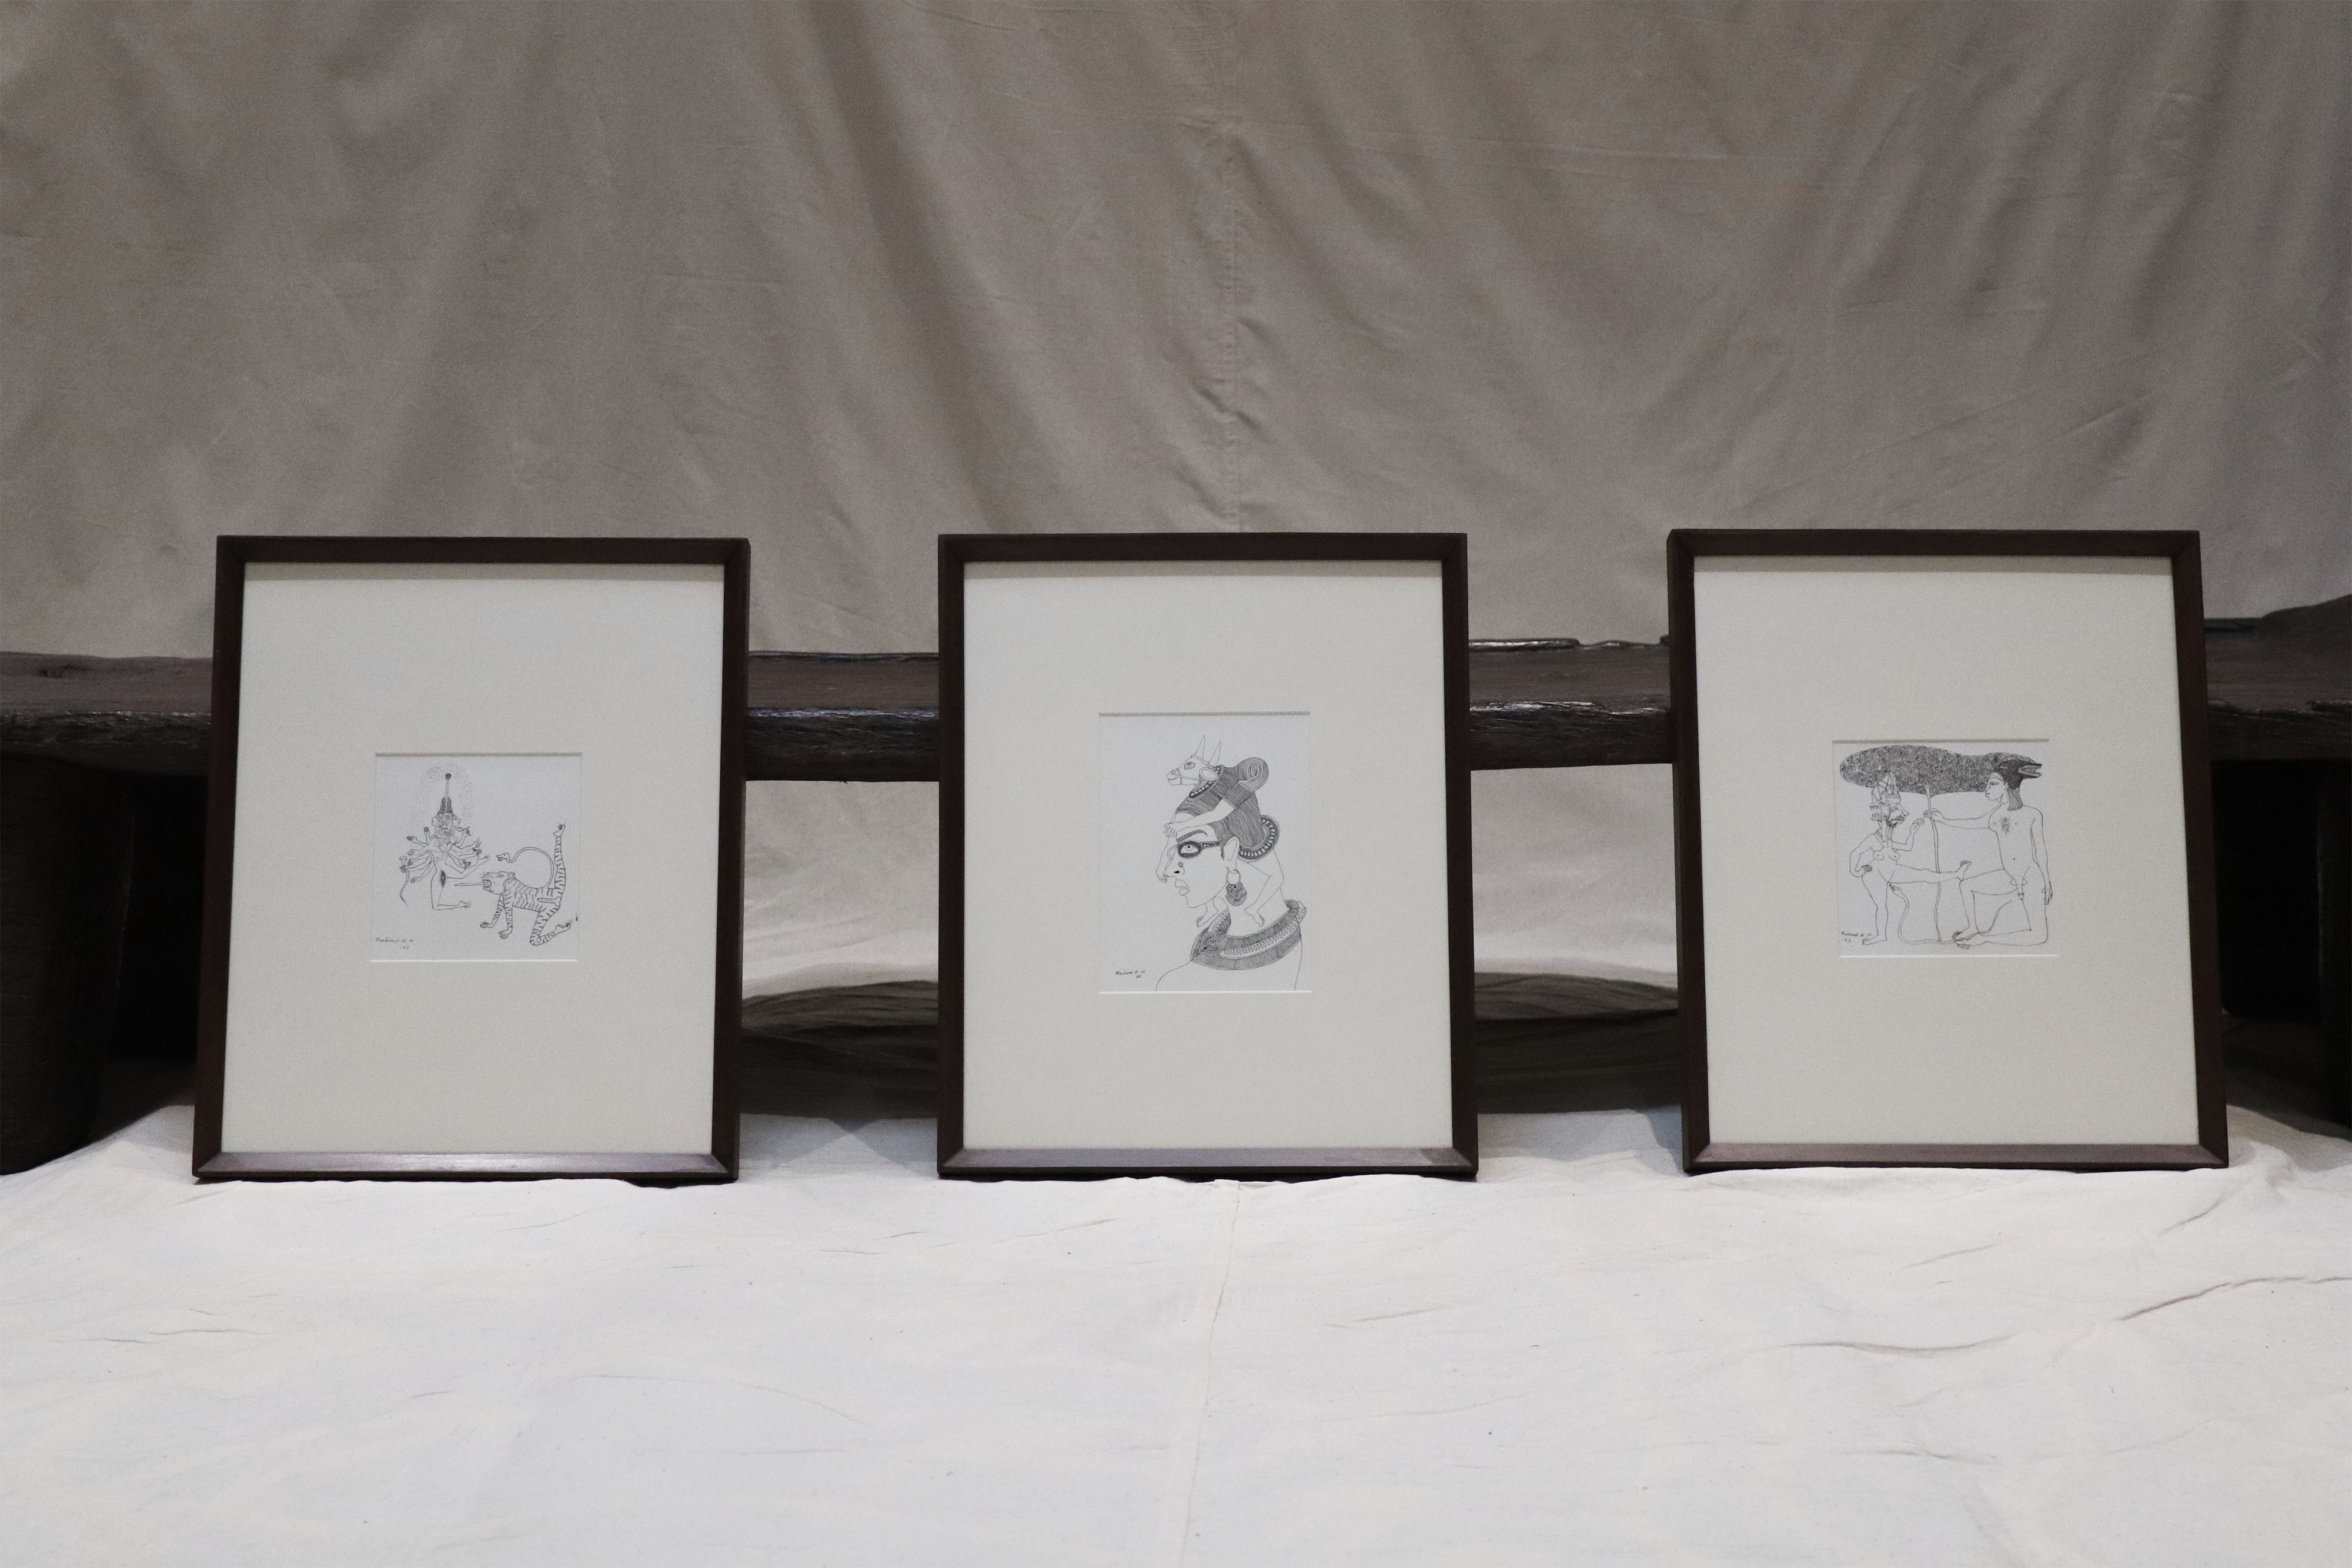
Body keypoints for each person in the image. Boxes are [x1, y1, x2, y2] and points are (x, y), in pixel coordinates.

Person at [1154, 773, 1304, 991]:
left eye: (1188, 847)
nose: (1171, 870)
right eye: (1171, 854)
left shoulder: (1175, 985)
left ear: (1230, 852)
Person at [1930, 759, 2052, 948]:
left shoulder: (2033, 814)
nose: (1987, 789)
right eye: (1988, 784)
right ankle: (1973, 927)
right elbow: (1973, 823)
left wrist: (2047, 881)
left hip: (2030, 877)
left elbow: (2040, 851)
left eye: (1993, 784)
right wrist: (1944, 820)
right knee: (1966, 885)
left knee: (2040, 935)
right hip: (2008, 875)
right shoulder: (1996, 815)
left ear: (2006, 786)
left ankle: (1985, 938)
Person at [1847, 773, 1974, 944]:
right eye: (1895, 809)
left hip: (1891, 872)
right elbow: (1855, 854)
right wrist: (1856, 872)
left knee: (1925, 874)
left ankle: (1957, 874)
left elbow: (1907, 847)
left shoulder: (1889, 839)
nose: (1903, 815)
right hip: (1874, 875)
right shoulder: (1873, 839)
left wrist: (1913, 831)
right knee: (1882, 906)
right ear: (1884, 812)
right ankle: (1881, 935)